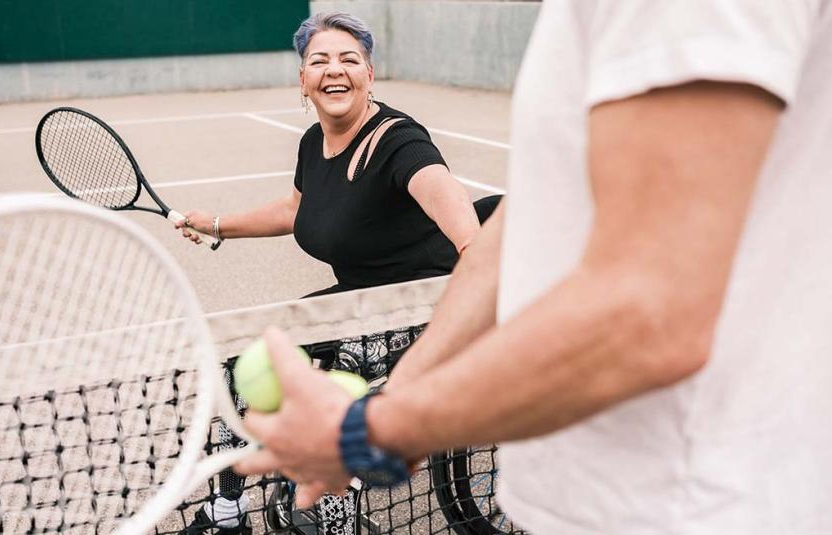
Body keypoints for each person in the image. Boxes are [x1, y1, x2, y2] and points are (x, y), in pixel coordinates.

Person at [233, 1, 832, 533]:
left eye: (348, 59)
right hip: (578, 494)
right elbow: (520, 223)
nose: (334, 70)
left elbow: (652, 311)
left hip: (691, 505)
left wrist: (374, 430)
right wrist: (403, 390)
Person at [176, 11, 496, 535]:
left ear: (369, 74)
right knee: (242, 362)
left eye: (349, 59)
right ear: (302, 79)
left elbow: (452, 205)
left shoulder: (398, 142)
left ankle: (336, 522)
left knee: (342, 401)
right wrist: (216, 224)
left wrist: (476, 292)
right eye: (319, 60)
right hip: (357, 299)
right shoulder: (313, 143)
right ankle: (227, 513)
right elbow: (295, 210)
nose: (334, 70)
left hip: (420, 302)